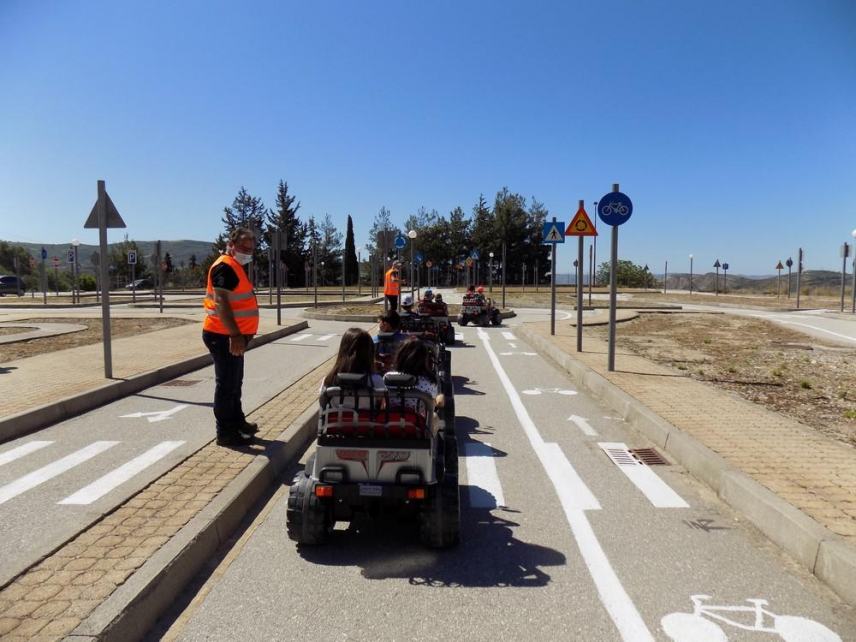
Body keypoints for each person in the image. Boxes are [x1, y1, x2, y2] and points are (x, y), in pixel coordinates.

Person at [202, 227, 260, 446]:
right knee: (226, 386)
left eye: (251, 248)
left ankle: (238, 422)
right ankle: (226, 433)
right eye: (244, 247)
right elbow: (221, 302)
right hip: (223, 335)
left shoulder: (234, 265)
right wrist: (235, 334)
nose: (248, 251)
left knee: (235, 383)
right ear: (232, 244)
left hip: (232, 335)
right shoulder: (224, 266)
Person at [321, 328, 385, 408]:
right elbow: (381, 404)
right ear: (370, 353)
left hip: (338, 419)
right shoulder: (376, 381)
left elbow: (323, 403)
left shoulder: (329, 380)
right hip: (367, 420)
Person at [387, 337, 444, 412]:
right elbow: (432, 405)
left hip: (391, 420)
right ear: (424, 359)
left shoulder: (388, 377)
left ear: (400, 357)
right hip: (418, 421)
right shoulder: (429, 382)